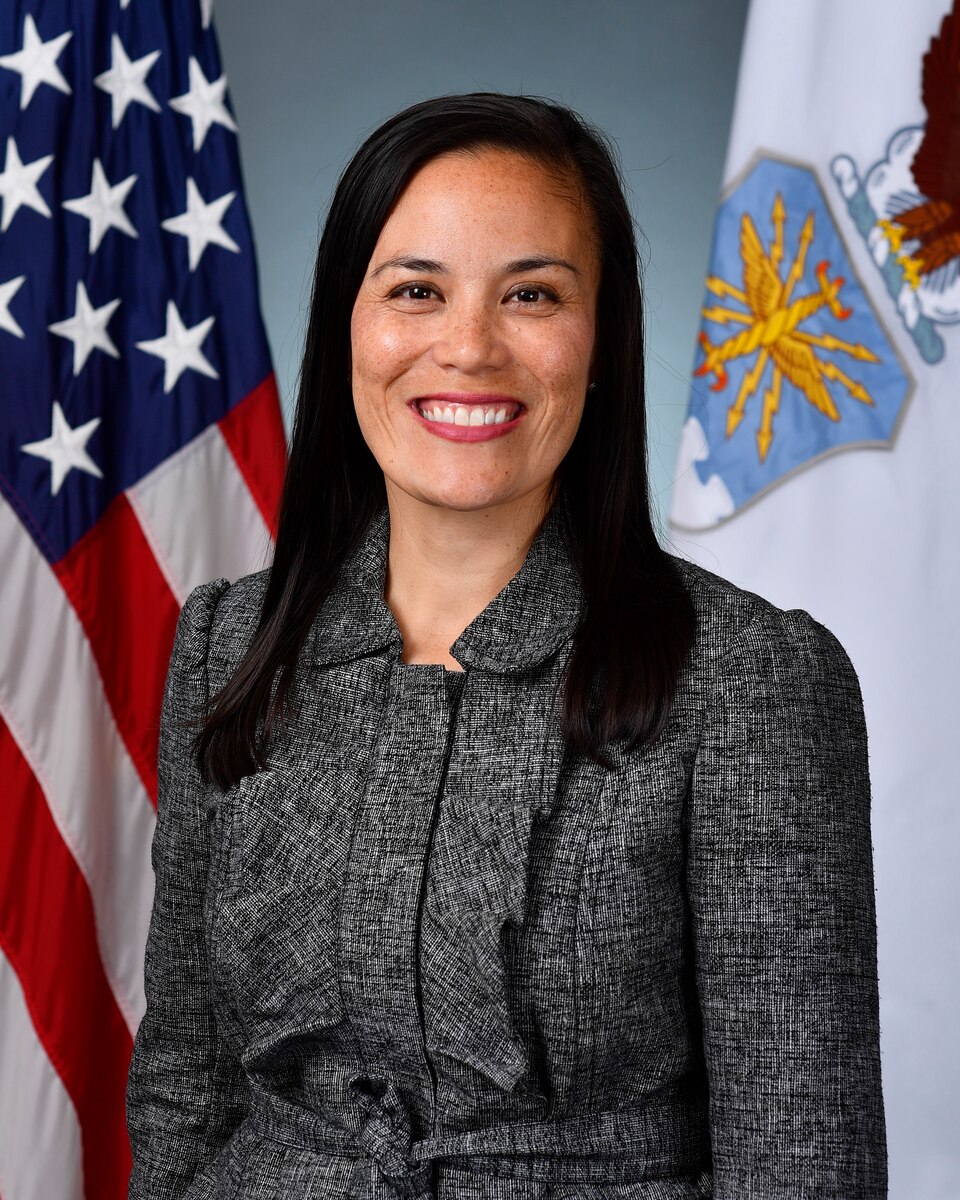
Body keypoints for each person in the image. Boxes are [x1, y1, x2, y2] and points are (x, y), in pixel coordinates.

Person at [125, 93, 888, 1199]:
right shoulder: (229, 647)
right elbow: (186, 1085)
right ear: (349, 321)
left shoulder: (749, 682)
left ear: (604, 336)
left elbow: (801, 1157)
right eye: (415, 292)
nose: (470, 347)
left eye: (532, 294)